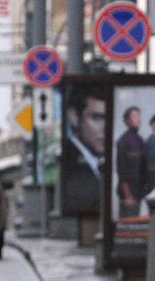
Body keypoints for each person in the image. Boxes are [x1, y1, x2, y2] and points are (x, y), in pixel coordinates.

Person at [60, 84, 106, 217]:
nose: (105, 128)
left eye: (109, 118)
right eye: (97, 118)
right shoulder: (69, 162)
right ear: (74, 117)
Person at [114, 105, 144, 217]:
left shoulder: (140, 140)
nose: (138, 119)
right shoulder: (124, 140)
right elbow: (121, 170)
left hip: (138, 191)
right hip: (128, 193)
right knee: (128, 223)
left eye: (139, 116)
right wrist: (127, 195)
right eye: (135, 116)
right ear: (127, 120)